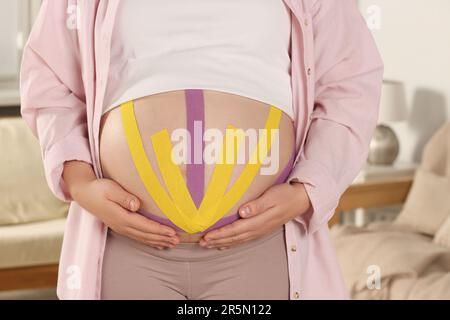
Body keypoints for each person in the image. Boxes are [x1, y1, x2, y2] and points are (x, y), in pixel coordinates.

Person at [20, 0, 383, 300]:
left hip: (260, 248)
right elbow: (49, 78)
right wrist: (79, 181)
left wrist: (306, 191)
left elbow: (350, 84)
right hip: (125, 246)